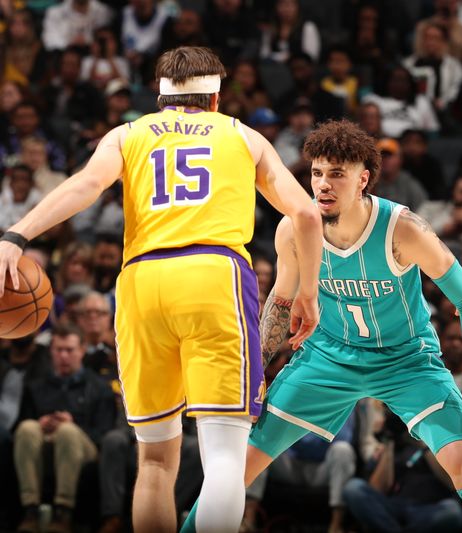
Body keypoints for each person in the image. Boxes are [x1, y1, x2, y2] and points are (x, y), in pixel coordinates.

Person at [0, 46, 323, 533]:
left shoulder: (127, 134)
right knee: (223, 461)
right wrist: (308, 294)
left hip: (141, 285)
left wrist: (15, 236)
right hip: (214, 278)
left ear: (160, 97)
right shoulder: (243, 136)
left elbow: (85, 187)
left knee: (153, 463)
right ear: (215, 99)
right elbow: (305, 214)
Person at [182, 119, 462, 533]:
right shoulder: (293, 229)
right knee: (237, 467)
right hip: (329, 356)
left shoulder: (402, 229)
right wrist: (255, 373)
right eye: (317, 173)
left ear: (363, 180)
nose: (323, 184)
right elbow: (280, 304)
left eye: (337, 174)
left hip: (405, 359)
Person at [14, 325, 116, 532]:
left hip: (83, 448)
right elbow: (19, 426)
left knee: (67, 432)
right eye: (58, 350)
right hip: (42, 444)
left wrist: (73, 426)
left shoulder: (98, 388)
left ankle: (63, 511)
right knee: (27, 428)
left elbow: (104, 434)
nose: (63, 356)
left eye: (69, 350)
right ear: (51, 350)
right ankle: (30, 510)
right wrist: (41, 423)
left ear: (82, 350)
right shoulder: (36, 385)